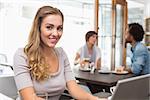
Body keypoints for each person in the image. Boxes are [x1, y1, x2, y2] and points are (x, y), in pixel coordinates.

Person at [13, 6, 104, 100]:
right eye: (49, 27)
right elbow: (30, 98)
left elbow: (74, 88)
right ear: (38, 28)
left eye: (59, 28)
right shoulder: (22, 55)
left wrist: (96, 99)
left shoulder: (61, 54)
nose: (56, 34)